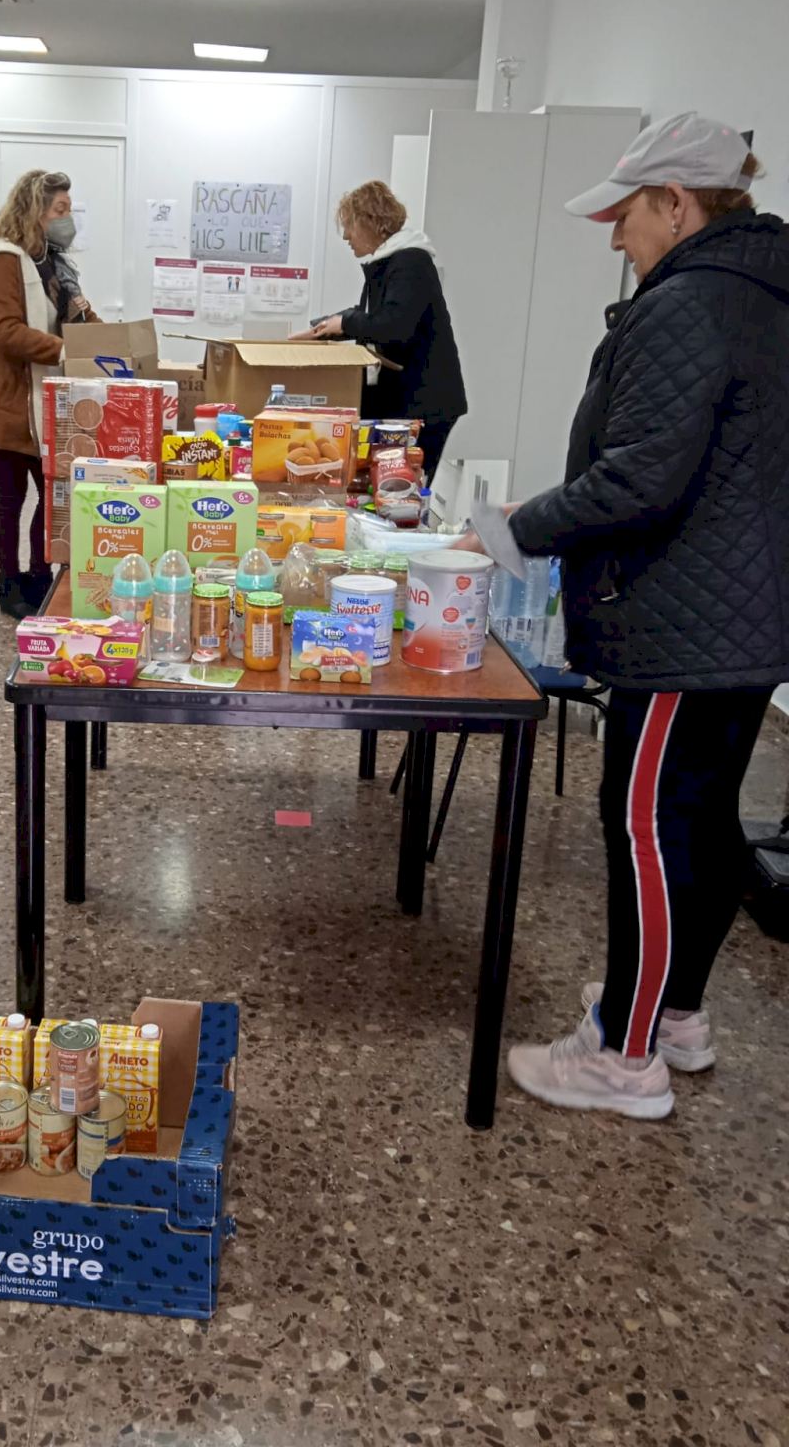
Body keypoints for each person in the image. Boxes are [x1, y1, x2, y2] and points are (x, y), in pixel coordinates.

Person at [457, 112, 789, 1119]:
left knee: (646, 823)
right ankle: (676, 1013)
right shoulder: (765, 291)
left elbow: (643, 478)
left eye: (626, 214)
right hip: (748, 616)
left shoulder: (687, 302)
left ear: (677, 203)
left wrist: (519, 526)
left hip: (682, 622)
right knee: (704, 818)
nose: (617, 237)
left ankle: (622, 1054)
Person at [0, 170, 99, 619]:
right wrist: (65, 349)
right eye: (60, 209)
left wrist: (109, 342)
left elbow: (80, 317)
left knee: (52, 494)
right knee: (10, 497)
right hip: (7, 401)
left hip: (48, 401)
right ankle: (9, 584)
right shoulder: (0, 259)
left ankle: (41, 577)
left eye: (69, 209)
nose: (68, 218)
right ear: (34, 210)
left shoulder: (56, 263)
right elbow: (4, 330)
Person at [289, 179, 466, 474]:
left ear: (371, 222)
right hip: (403, 396)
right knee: (384, 478)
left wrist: (344, 322)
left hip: (423, 401)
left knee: (403, 484)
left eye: (349, 225)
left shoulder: (410, 263)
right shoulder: (390, 263)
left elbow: (393, 325)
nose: (346, 236)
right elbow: (370, 315)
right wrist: (321, 329)